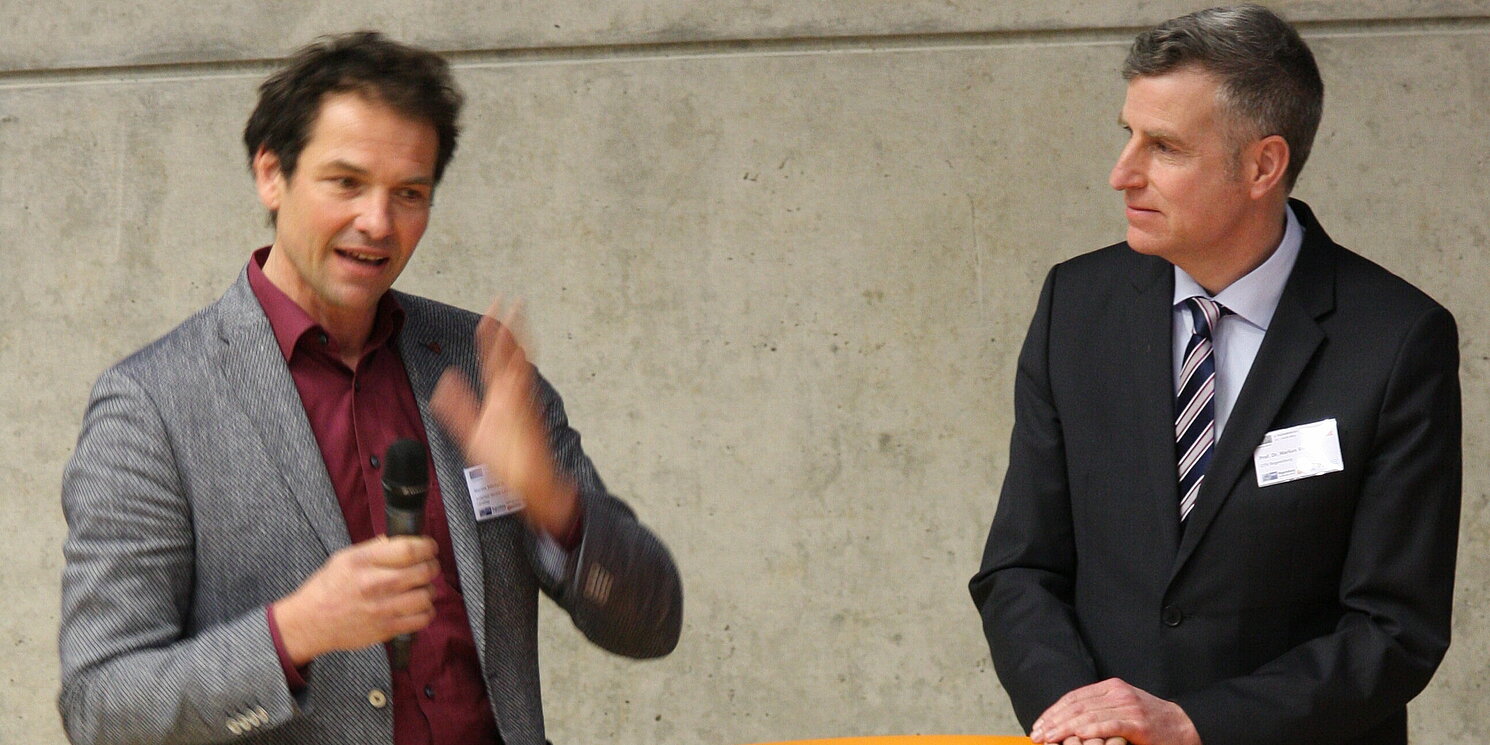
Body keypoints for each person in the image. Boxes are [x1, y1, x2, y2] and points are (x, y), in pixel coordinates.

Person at [58, 31, 681, 745]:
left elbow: (653, 621)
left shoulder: (482, 368)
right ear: (271, 174)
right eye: (346, 182)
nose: (378, 222)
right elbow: (100, 706)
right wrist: (292, 632)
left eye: (408, 193)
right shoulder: (153, 406)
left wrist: (553, 502)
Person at [969, 6, 1460, 745]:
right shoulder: (1076, 305)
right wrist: (1082, 718)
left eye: (1163, 146)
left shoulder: (1395, 340)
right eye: (1127, 134)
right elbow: (1020, 567)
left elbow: (1395, 630)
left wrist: (1195, 724)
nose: (1121, 173)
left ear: (1263, 165)